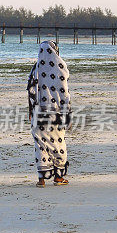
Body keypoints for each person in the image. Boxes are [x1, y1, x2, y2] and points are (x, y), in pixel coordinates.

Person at [27, 40, 71, 187]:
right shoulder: (61, 67)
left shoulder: (36, 69)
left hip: (39, 112)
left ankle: (41, 179)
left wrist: (31, 111)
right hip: (56, 114)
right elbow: (64, 93)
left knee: (41, 146)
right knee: (58, 145)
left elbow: (31, 92)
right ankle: (58, 178)